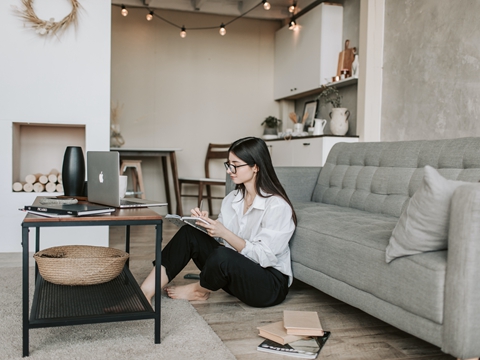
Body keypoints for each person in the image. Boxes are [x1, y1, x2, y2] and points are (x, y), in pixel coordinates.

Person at [140, 136, 297, 308]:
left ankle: (199, 289)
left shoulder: (277, 206)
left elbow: (265, 257)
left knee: (224, 256)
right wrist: (206, 224)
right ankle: (145, 292)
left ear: (255, 167)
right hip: (237, 273)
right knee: (189, 234)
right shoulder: (232, 199)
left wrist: (225, 233)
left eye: (236, 165)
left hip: (268, 285)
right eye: (228, 164)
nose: (230, 170)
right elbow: (222, 240)